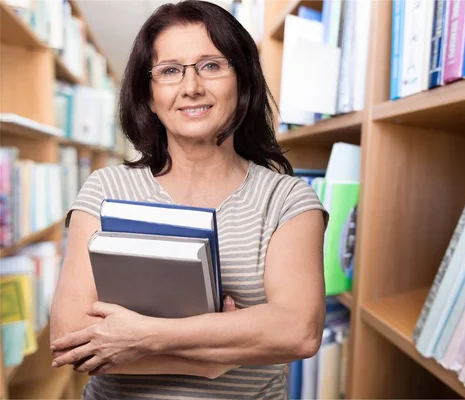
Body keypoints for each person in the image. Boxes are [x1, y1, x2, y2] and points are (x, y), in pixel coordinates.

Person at [49, 1, 328, 398]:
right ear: (148, 95)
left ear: (243, 81)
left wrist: (144, 336)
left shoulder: (287, 199)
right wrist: (214, 356)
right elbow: (71, 339)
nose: (191, 87)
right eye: (169, 71)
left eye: (212, 65)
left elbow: (298, 331)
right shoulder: (105, 190)